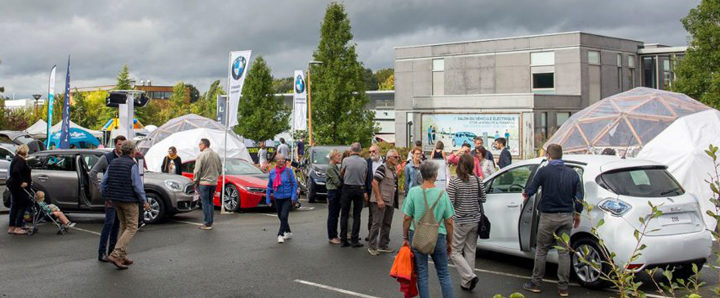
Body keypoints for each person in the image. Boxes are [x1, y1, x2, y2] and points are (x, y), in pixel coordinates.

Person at [522, 144, 584, 297]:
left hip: (548, 217)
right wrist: (577, 214)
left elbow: (530, 190)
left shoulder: (543, 171)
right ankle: (563, 288)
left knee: (542, 250)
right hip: (566, 217)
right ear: (561, 156)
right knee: (563, 252)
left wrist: (525, 195)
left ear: (549, 155)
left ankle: (535, 283)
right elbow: (579, 198)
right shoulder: (573, 174)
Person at [401, 161, 455, 298]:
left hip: (417, 235)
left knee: (422, 274)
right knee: (443, 273)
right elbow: (449, 221)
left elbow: (407, 218)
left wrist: (405, 238)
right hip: (439, 235)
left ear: (422, 175)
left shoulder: (413, 192)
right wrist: (450, 241)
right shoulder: (443, 195)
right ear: (435, 175)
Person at [101, 140, 151, 270]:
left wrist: (106, 197)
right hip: (129, 200)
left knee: (124, 226)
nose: (136, 152)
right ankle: (116, 253)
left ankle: (122, 256)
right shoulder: (132, 165)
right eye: (135, 149)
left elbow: (104, 182)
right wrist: (144, 201)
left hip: (115, 199)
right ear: (132, 151)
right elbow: (137, 185)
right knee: (132, 227)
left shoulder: (113, 162)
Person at [447, 154, 486, 291]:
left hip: (460, 221)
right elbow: (483, 198)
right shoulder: (477, 180)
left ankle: (469, 276)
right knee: (470, 251)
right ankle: (467, 282)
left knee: (455, 251)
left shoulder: (454, 181)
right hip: (475, 220)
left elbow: (449, 203)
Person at [91, 135, 126, 262]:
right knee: (109, 223)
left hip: (120, 196)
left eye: (123, 144)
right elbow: (92, 173)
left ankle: (112, 252)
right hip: (110, 196)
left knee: (117, 224)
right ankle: (101, 253)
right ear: (115, 145)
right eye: (119, 144)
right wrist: (101, 189)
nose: (121, 147)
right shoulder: (107, 158)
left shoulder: (125, 158)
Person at [367, 149, 400, 256]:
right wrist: (379, 199)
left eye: (397, 157)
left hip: (389, 201)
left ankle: (383, 245)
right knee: (376, 223)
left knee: (387, 223)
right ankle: (372, 246)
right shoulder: (382, 168)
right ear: (389, 158)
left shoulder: (392, 170)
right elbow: (374, 183)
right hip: (380, 201)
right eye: (395, 157)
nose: (397, 158)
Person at [264, 154, 298, 243]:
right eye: (279, 160)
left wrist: (293, 195)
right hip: (277, 197)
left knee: (283, 215)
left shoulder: (288, 171)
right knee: (281, 216)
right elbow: (269, 186)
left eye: (283, 159)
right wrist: (267, 198)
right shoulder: (272, 172)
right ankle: (289, 232)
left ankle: (280, 234)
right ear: (276, 162)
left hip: (287, 197)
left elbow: (294, 184)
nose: (282, 161)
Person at [339, 142, 367, 248]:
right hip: (359, 188)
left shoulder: (346, 160)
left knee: (344, 214)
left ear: (351, 150)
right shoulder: (364, 161)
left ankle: (343, 239)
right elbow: (365, 175)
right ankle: (355, 240)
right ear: (360, 150)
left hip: (347, 188)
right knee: (357, 215)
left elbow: (341, 173)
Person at [193, 138, 222, 230]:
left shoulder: (201, 155)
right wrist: (216, 177)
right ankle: (210, 222)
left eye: (200, 144)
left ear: (204, 145)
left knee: (205, 203)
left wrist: (195, 181)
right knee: (210, 202)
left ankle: (207, 223)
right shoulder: (216, 155)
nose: (199, 145)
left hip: (204, 182)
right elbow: (220, 168)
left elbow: (197, 170)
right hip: (213, 182)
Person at [7, 144, 31, 235]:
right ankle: (18, 227)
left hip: (14, 186)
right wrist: (22, 182)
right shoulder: (20, 160)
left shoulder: (16, 159)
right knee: (21, 206)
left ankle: (11, 227)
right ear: (25, 151)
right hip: (19, 187)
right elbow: (16, 171)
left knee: (14, 206)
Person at [364, 144, 384, 237]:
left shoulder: (384, 162)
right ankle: (370, 233)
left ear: (378, 151)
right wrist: (364, 191)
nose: (371, 153)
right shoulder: (367, 162)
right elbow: (364, 178)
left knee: (384, 213)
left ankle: (381, 234)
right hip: (371, 190)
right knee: (372, 214)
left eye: (373, 151)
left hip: (384, 191)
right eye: (370, 152)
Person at [325, 150, 343, 245]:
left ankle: (335, 235)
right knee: (332, 215)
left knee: (335, 215)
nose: (340, 158)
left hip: (336, 192)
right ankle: (332, 236)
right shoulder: (330, 168)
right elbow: (338, 182)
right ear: (332, 157)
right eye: (338, 156)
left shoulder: (335, 167)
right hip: (333, 193)